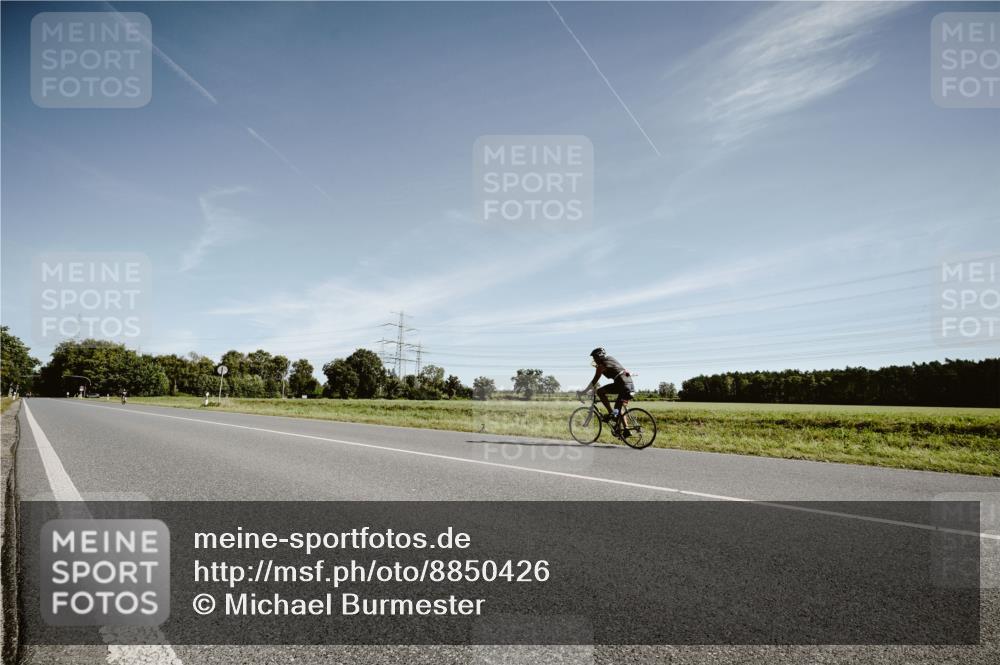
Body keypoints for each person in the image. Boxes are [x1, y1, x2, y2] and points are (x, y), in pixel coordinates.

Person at [578, 348, 634, 427]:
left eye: (595, 358)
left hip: (622, 385)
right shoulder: (610, 359)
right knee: (618, 409)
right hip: (629, 384)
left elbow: (594, 381)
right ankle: (626, 429)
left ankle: (611, 414)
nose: (594, 360)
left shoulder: (601, 365)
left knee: (600, 392)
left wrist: (584, 392)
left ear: (599, 357)